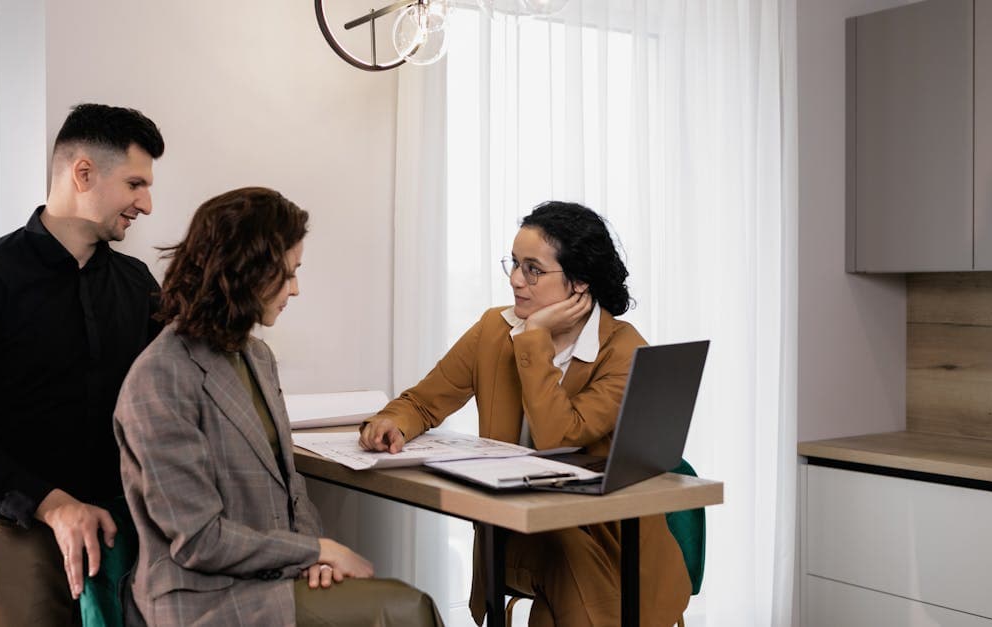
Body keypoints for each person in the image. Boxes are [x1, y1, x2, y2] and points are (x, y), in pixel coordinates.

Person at [113, 187, 443, 626]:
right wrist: (317, 550)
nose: (296, 288)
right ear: (245, 273)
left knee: (399, 601)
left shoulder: (256, 356)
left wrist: (315, 560)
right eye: (287, 274)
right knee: (404, 609)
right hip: (201, 598)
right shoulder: (160, 376)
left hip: (271, 578)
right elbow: (197, 541)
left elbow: (292, 487)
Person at [359, 201, 691, 627]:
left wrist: (534, 338)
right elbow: (424, 401)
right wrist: (392, 422)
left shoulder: (623, 350)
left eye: (533, 269)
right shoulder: (493, 331)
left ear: (579, 282)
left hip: (611, 542)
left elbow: (560, 435)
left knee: (557, 599)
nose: (517, 280)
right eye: (514, 264)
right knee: (562, 555)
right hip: (519, 531)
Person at [0, 103, 165, 626]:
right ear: (83, 173)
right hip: (10, 543)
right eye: (135, 184)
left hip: (117, 538)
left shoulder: (138, 284)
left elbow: (164, 402)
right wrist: (52, 505)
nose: (146, 203)